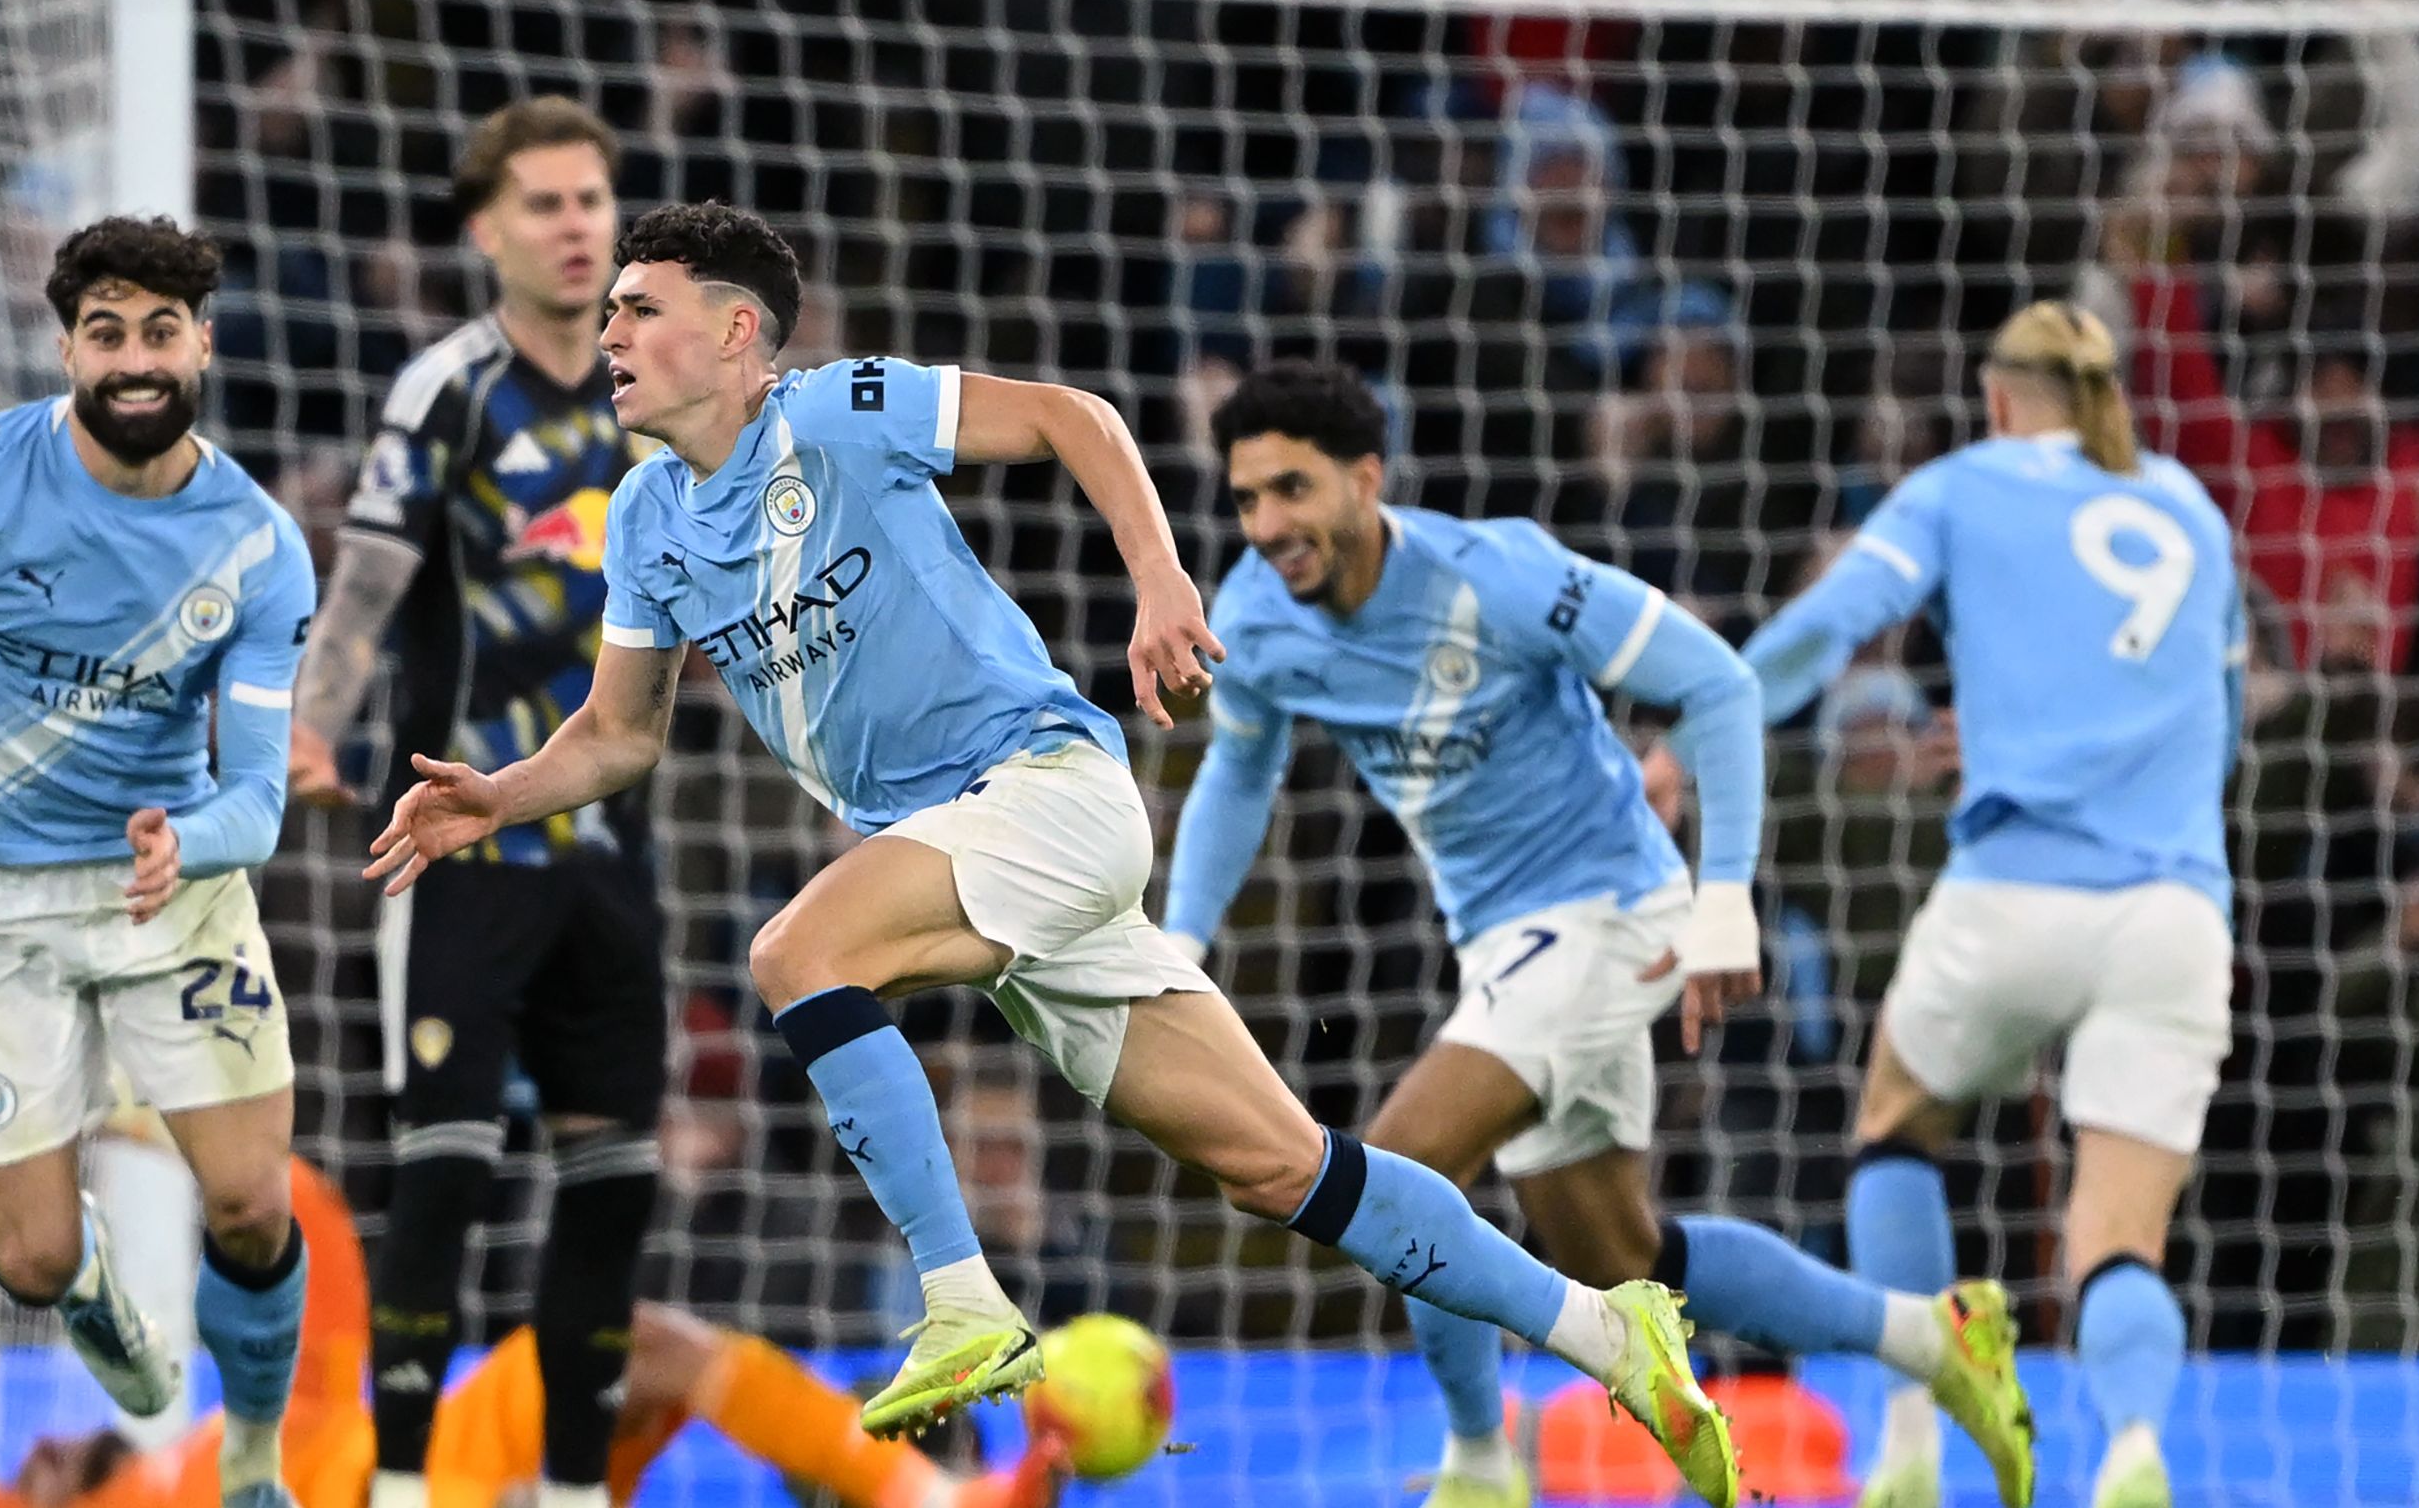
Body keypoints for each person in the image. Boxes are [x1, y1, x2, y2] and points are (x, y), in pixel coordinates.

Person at [365, 201, 1741, 1506]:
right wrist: (500, 793)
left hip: (1041, 787)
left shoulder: (837, 410)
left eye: (640, 306)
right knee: (1282, 1170)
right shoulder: (653, 520)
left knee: (798, 951)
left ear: (736, 334)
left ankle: (962, 1302)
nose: (607, 332)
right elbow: (619, 737)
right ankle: (1613, 1336)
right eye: (607, 308)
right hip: (966, 843)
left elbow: (1071, 417)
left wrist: (1158, 577)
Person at [1160, 360, 2032, 1508]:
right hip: (1501, 944)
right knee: (1625, 1257)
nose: (1268, 525)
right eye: (1246, 499)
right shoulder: (1257, 617)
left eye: (1293, 490)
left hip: (1617, 907)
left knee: (1402, 1168)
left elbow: (1716, 685)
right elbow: (1241, 762)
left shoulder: (1498, 575)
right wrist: (1181, 940)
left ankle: (1481, 1460)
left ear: (1366, 480)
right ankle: (1933, 1334)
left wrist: (1725, 900)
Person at [1672, 302, 2242, 1508]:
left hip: (2012, 894)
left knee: (1892, 1126)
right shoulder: (2194, 507)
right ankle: (2133, 1450)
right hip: (2174, 912)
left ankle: (1914, 1437)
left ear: (1995, 400)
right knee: (2119, 1242)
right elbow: (2206, 706)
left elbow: (1832, 622)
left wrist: (1701, 729)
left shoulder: (1960, 482)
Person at [0, 215, 319, 1508]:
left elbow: (256, 798)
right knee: (29, 1266)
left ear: (202, 342)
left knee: (254, 1204)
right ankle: (86, 1291)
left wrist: (185, 840)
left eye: (161, 331)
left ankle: (253, 1454)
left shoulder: (256, 546)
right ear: (67, 348)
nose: (135, 360)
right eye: (108, 335)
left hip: (168, 882)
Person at [282, 96, 662, 1508]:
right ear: (486, 231)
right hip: (456, 837)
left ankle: (569, 1491)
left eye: (591, 201)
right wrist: (316, 731)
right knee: (444, 1168)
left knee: (616, 1176)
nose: (576, 229)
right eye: (546, 206)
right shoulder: (450, 387)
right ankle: (394, 1488)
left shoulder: (659, 398)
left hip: (613, 849)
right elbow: (371, 582)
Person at [0, 1144, 1065, 1508]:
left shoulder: (238, 1435)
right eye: (21, 1480)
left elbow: (329, 1300)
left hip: (445, 1454)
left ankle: (912, 1498)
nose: (28, 1457)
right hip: (421, 1494)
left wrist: (231, 1162)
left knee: (656, 1354)